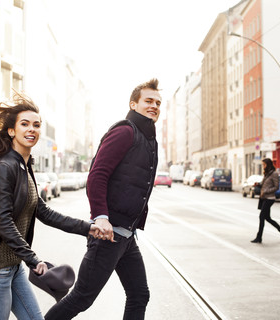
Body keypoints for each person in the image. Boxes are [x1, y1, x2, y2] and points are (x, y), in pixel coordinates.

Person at [0, 93, 105, 320]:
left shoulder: (24, 165)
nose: (32, 129)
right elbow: (3, 222)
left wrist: (87, 227)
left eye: (36, 125)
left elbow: (43, 211)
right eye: (25, 124)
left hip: (14, 267)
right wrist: (34, 259)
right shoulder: (4, 168)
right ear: (12, 131)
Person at [45, 79, 162, 320]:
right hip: (108, 234)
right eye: (148, 101)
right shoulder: (125, 131)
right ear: (134, 103)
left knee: (140, 294)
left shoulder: (148, 139)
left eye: (158, 103)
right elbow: (97, 175)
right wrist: (101, 216)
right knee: (82, 297)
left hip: (126, 236)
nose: (154, 106)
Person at [251, 158, 280, 243]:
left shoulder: (274, 174)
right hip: (264, 198)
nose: (263, 166)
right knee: (267, 218)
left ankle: (259, 237)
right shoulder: (267, 174)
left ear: (268, 164)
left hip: (269, 198)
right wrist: (259, 185)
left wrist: (266, 191)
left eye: (264, 165)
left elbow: (276, 187)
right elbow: (265, 185)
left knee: (261, 217)